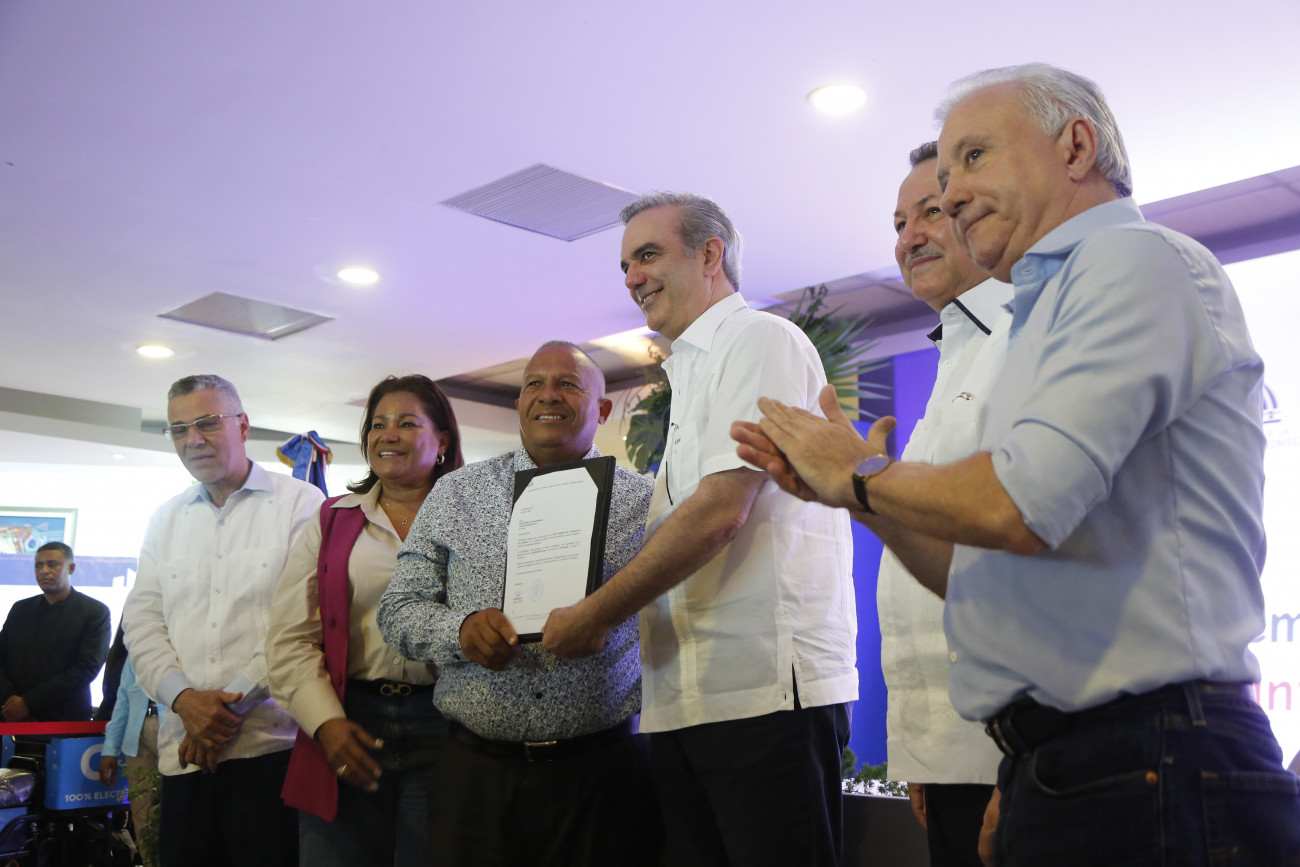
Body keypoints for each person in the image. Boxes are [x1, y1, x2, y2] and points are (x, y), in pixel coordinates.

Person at [732, 63, 1300, 865]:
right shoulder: (1046, 311)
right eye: (944, 175)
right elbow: (979, 572)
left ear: (1076, 146)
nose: (954, 193)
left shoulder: (1133, 260)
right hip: (1070, 757)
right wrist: (858, 494)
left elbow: (1017, 502)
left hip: (1150, 751)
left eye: (972, 157)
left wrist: (861, 477)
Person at [541, 194, 857, 867]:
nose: (632, 277)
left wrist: (595, 615)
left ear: (710, 254)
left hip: (763, 694)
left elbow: (719, 512)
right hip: (689, 697)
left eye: (647, 254)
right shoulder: (689, 371)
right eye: (625, 265)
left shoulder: (759, 339)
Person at [377, 341, 660, 867]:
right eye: (534, 384)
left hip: (604, 776)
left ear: (602, 409)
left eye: (568, 384)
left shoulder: (645, 503)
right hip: (475, 778)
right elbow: (397, 610)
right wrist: (460, 631)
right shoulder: (456, 493)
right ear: (519, 403)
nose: (547, 395)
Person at [123, 374, 324, 867]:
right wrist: (186, 702)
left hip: (271, 750)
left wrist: (221, 710)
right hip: (184, 754)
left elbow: (301, 621)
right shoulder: (165, 519)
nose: (193, 439)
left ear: (243, 426)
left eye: (208, 423)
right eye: (179, 429)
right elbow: (142, 625)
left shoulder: (302, 505)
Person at [267, 375, 464, 867]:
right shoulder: (332, 519)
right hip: (348, 720)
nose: (387, 434)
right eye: (377, 424)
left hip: (448, 725)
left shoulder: (473, 520)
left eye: (407, 423)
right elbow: (290, 637)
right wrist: (326, 723)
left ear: (442, 440)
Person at [882, 140, 1007, 867]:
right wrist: (926, 746)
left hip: (1010, 753)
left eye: (930, 211)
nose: (910, 237)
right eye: (899, 223)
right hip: (954, 751)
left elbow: (1033, 562)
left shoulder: (1025, 334)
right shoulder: (956, 350)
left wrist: (1020, 760)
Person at [0, 541, 110, 721]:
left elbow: (87, 667)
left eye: (52, 564)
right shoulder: (20, 609)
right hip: (12, 714)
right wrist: (10, 699)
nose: (44, 571)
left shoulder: (94, 611)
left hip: (65, 718)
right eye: (38, 566)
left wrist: (28, 702)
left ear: (71, 568)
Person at [99, 656, 164, 865]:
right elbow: (123, 699)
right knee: (142, 817)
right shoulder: (137, 644)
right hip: (136, 734)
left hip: (176, 730)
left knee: (180, 812)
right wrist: (110, 749)